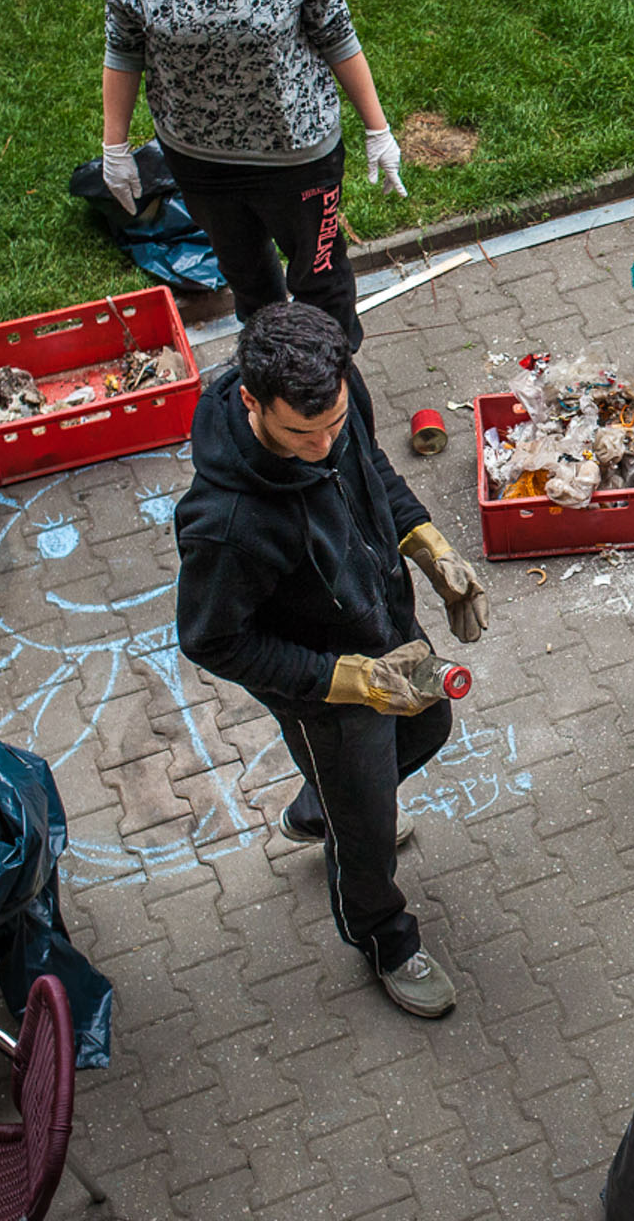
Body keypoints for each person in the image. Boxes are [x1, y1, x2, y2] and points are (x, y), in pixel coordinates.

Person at [173, 303, 491, 1018]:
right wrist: (342, 681)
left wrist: (428, 546)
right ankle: (383, 937)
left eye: (332, 424)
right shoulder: (226, 525)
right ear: (251, 401)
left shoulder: (337, 400)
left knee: (427, 730)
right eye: (299, 434)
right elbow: (212, 640)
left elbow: (370, 466)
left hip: (388, 632)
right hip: (326, 691)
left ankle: (324, 810)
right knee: (368, 831)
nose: (321, 445)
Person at [100, 0, 404, 348]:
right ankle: (273, 390)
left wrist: (377, 130)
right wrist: (115, 146)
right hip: (200, 158)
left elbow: (336, 34)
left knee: (323, 284)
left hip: (299, 154)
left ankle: (332, 394)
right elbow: (124, 49)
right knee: (252, 288)